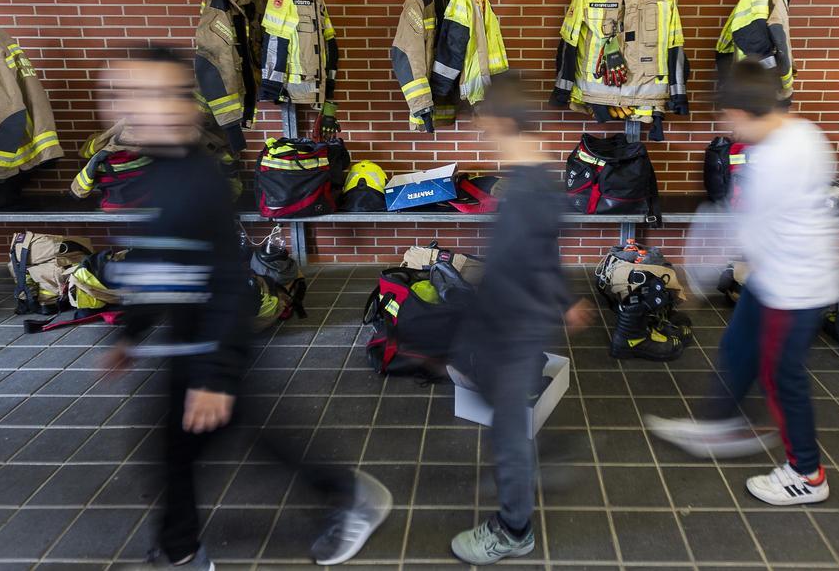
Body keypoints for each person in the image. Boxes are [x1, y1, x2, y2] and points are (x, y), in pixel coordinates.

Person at [102, 46, 390, 569]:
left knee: (222, 442)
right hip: (187, 346)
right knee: (181, 452)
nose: (156, 108)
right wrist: (129, 330)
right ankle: (182, 545)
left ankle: (340, 497)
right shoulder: (152, 175)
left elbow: (232, 285)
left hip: (214, 347)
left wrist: (216, 376)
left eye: (170, 96)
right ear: (115, 104)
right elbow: (153, 265)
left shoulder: (198, 184)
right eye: (139, 95)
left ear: (190, 107)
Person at [645, 59, 839, 506]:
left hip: (792, 286)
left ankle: (807, 474)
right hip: (777, 274)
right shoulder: (801, 132)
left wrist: (692, 278)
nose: (727, 127)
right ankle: (722, 424)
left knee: (781, 375)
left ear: (744, 111)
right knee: (738, 346)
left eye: (728, 117)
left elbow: (740, 229)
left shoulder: (777, 160)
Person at [449, 77, 593, 564]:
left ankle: (513, 530)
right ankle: (532, 470)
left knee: (508, 430)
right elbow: (543, 255)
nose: (482, 131)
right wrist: (565, 300)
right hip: (515, 321)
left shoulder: (527, 189)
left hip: (513, 327)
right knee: (502, 412)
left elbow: (523, 263)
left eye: (485, 122)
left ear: (501, 122)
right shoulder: (537, 178)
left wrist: (482, 325)